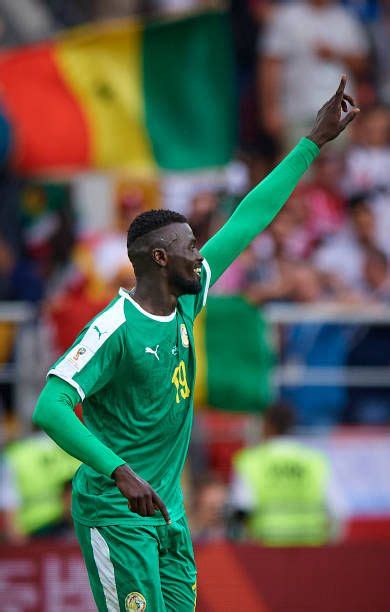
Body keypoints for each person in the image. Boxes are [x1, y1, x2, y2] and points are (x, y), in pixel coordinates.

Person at [32, 77, 358, 611]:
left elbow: (249, 219)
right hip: (117, 515)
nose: (201, 257)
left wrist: (311, 143)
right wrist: (119, 471)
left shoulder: (187, 300)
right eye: (189, 247)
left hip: (168, 514)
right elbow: (51, 406)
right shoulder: (114, 327)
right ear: (159, 259)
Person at [229, 403, 333, 545]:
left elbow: (242, 508)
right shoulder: (315, 460)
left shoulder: (250, 461)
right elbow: (338, 511)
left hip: (266, 547)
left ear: (267, 425)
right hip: (311, 547)